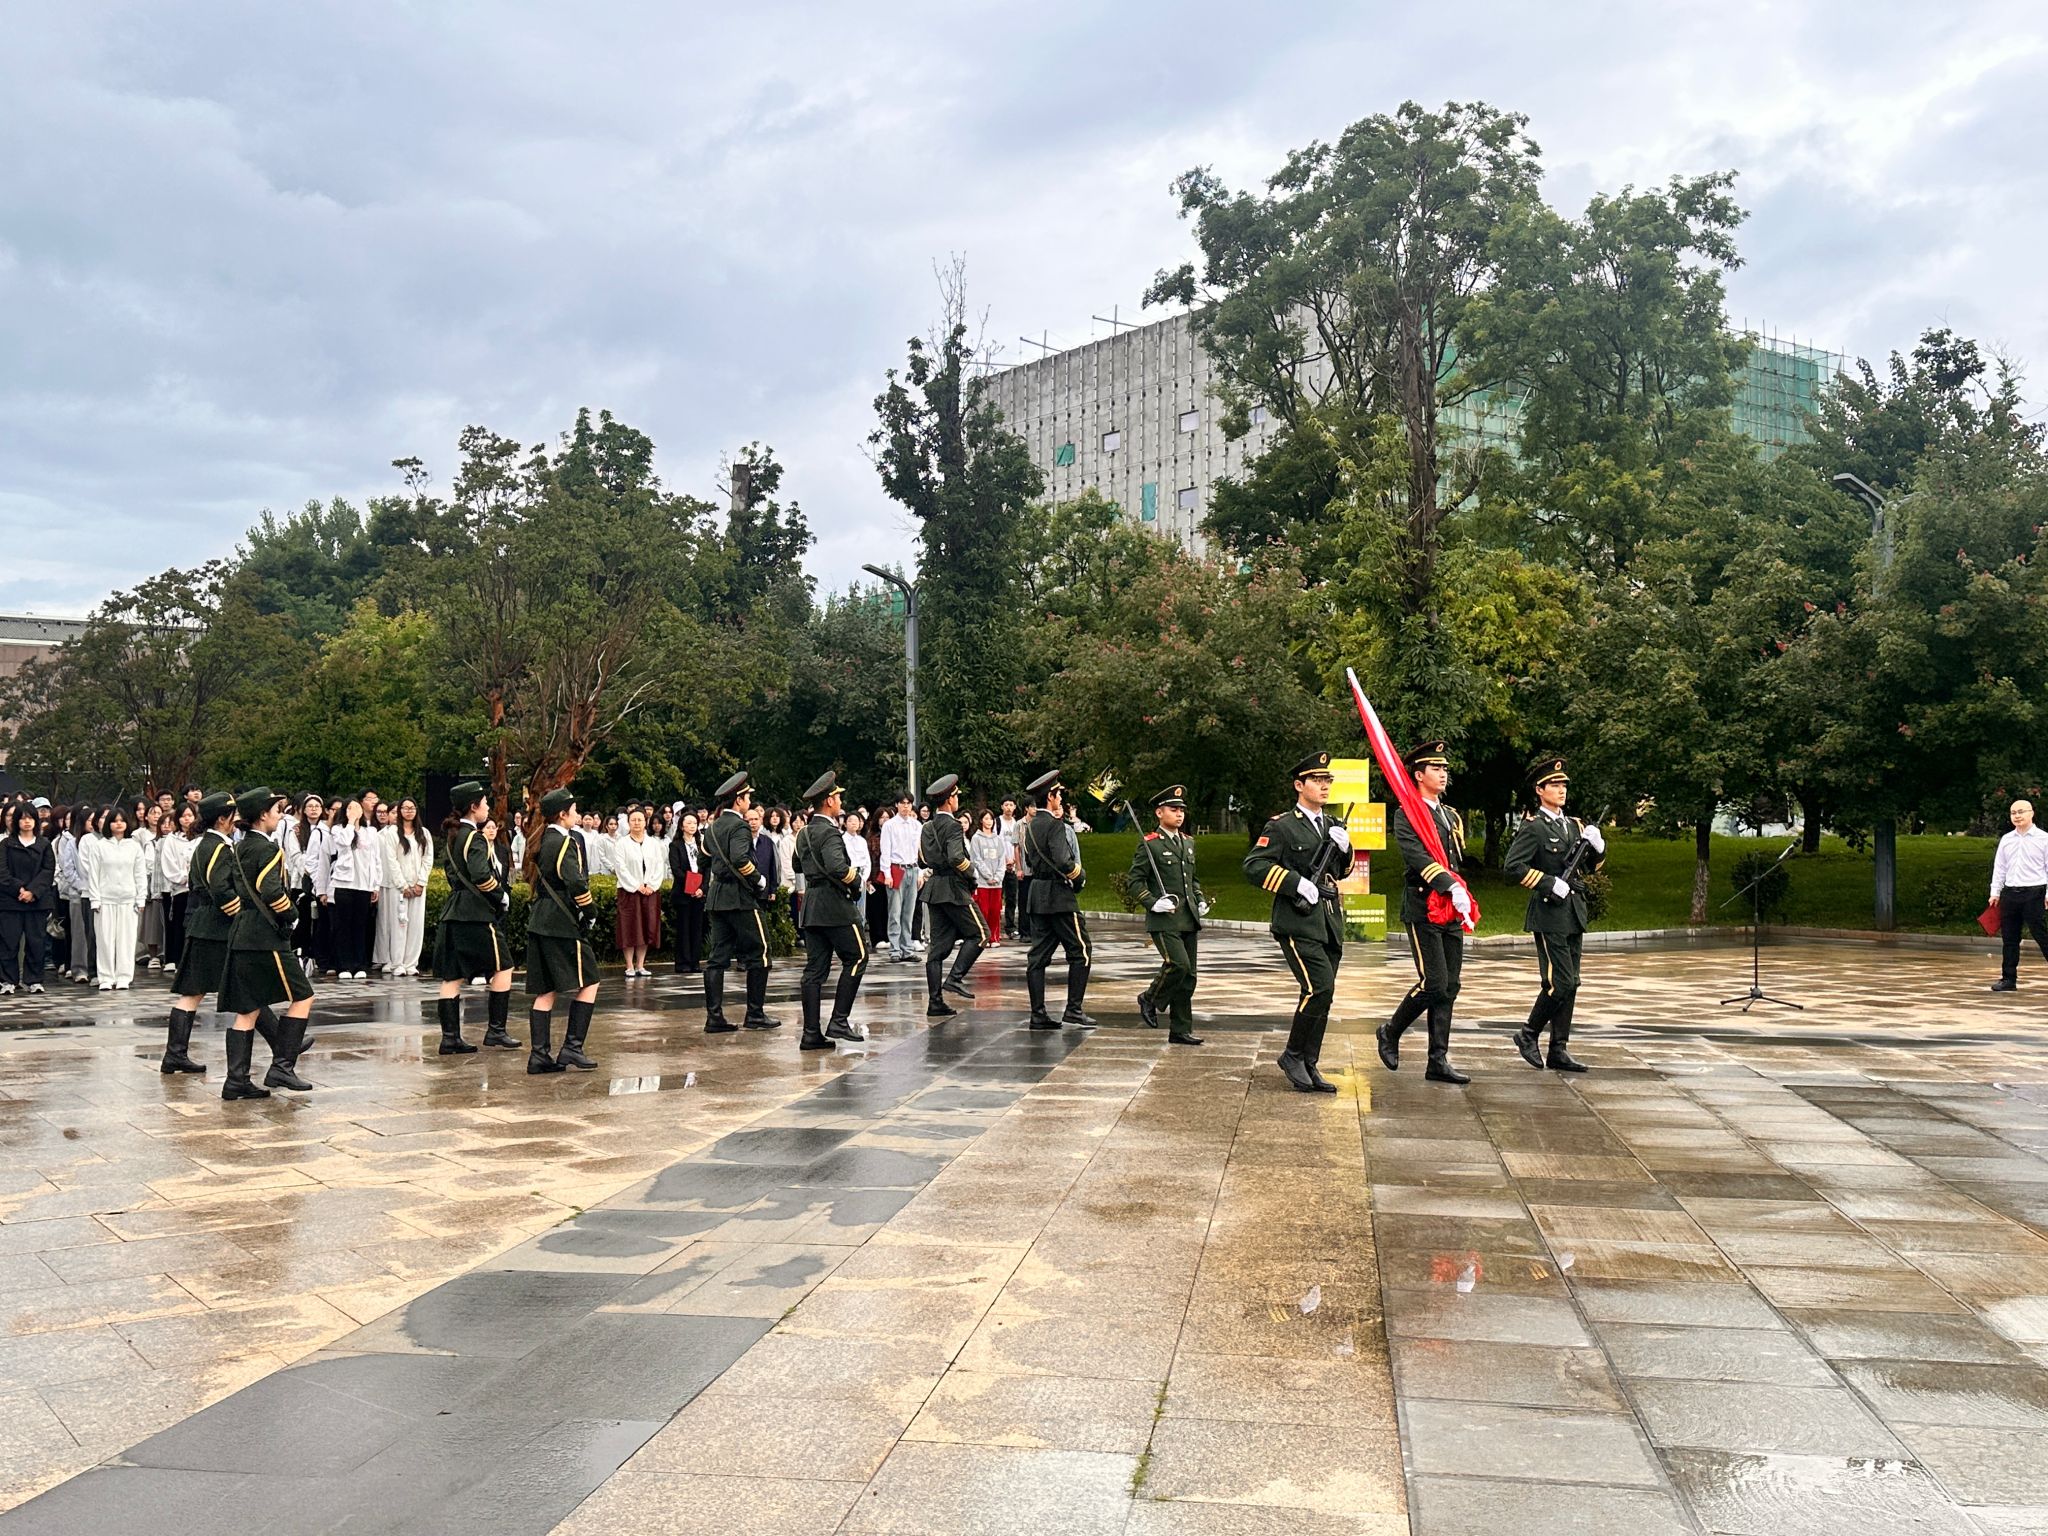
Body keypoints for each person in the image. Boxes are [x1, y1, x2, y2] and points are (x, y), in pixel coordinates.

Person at [1245, 752, 1351, 1093]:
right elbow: (1254, 866)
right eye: (1317, 780)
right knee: (1319, 987)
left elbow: (1341, 871)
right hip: (1297, 920)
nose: (1324, 786)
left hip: (1329, 921)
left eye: (1327, 780)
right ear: (1299, 785)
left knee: (1325, 995)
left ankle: (1309, 1062)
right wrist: (1296, 883)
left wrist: (1346, 849)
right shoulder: (1282, 826)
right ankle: (1292, 1055)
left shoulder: (1333, 824)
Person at [1375, 740, 1473, 1085]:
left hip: (1450, 908)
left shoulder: (1450, 815)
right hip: (1423, 905)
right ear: (1418, 775)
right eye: (1436, 768)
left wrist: (1459, 890)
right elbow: (1416, 857)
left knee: (1451, 985)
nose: (1443, 774)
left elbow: (1455, 858)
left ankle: (1438, 1060)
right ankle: (1390, 1031)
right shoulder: (1407, 813)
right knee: (1434, 983)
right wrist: (1448, 884)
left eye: (1445, 768)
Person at [1504, 755, 1604, 1072]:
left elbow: (1590, 867)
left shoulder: (1574, 825)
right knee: (1558, 982)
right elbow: (1512, 867)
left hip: (1573, 912)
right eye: (1554, 785)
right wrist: (1548, 883)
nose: (1561, 790)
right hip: (1549, 914)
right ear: (1540, 790)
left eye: (1564, 785)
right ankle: (1528, 1033)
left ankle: (1558, 1049)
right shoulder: (1534, 827)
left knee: (1572, 982)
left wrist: (1598, 847)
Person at [217, 788, 318, 1100]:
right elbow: (271, 890)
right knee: (303, 996)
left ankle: (236, 1081)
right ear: (262, 815)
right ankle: (282, 1067)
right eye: (276, 811)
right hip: (264, 936)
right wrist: (292, 914)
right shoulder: (267, 848)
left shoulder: (240, 846)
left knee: (248, 1008)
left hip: (242, 931)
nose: (280, 816)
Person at [161, 792, 258, 1078]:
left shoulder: (206, 844)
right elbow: (220, 888)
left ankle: (175, 1054)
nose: (235, 821)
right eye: (232, 815)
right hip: (217, 928)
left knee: (195, 992)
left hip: (204, 925)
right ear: (222, 819)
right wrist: (240, 915)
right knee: (244, 987)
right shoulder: (218, 847)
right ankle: (282, 1044)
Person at [431, 782, 518, 1055]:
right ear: (473, 806)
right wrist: (500, 894)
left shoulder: (454, 836)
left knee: (453, 976)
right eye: (485, 802)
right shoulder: (475, 837)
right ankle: (496, 1030)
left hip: (455, 909)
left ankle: (450, 1038)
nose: (488, 807)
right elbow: (481, 875)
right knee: (504, 967)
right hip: (476, 913)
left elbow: (452, 873)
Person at [525, 786, 601, 1073]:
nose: (577, 814)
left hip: (541, 919)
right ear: (562, 814)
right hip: (561, 922)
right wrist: (590, 912)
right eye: (574, 810)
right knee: (590, 980)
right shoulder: (565, 842)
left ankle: (539, 1055)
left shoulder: (543, 839)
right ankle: (572, 1047)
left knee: (546, 990)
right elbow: (576, 882)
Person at [698, 771, 779, 1034]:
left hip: (717, 897)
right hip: (741, 898)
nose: (749, 802)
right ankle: (755, 1014)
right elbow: (740, 859)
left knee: (717, 958)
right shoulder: (740, 826)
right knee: (760, 952)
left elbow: (703, 858)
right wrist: (759, 880)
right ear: (739, 800)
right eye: (747, 797)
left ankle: (714, 1017)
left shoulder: (713, 827)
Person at [794, 772, 870, 1049]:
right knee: (858, 957)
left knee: (814, 970)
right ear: (828, 801)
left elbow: (797, 865)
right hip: (835, 906)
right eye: (838, 797)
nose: (840, 802)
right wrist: (857, 880)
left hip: (813, 906)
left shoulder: (804, 833)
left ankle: (811, 1033)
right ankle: (839, 1020)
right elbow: (838, 867)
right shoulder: (829, 832)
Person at [1131, 785, 1207, 1046]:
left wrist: (1200, 899)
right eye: (1173, 809)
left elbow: (1192, 879)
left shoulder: (1188, 842)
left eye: (1181, 810)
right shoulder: (1150, 844)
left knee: (1189, 977)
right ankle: (1149, 998)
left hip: (1188, 917)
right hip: (1164, 919)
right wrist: (1153, 902)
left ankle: (1180, 1029)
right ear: (1159, 812)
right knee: (1178, 964)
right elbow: (1135, 881)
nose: (1179, 814)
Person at [1021, 770, 1093, 1029]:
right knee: (1081, 951)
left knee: (1038, 956)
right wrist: (1079, 875)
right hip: (1059, 896)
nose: (1061, 798)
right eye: (1058, 794)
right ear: (1050, 797)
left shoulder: (1030, 826)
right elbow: (1063, 860)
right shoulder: (1054, 825)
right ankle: (1073, 1009)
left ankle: (1038, 1014)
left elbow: (1028, 860)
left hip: (1038, 895)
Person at [918, 774, 986, 1018]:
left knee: (937, 950)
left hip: (935, 887)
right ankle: (955, 978)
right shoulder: (954, 826)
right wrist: (971, 872)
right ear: (949, 800)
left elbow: (922, 859)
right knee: (980, 934)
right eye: (956, 796)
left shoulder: (927, 827)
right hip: (954, 888)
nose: (957, 800)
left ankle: (935, 1002)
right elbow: (957, 857)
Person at [86, 805, 148, 991]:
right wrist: (95, 899)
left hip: (128, 900)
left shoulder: (134, 846)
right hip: (105, 900)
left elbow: (140, 874)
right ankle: (105, 977)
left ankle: (124, 977)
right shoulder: (100, 846)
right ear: (108, 824)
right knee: (105, 940)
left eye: (122, 821)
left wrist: (141, 898)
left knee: (126, 941)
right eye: (114, 821)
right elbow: (93, 875)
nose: (119, 824)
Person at [1989, 796, 2048, 991]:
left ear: (2032, 813)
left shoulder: (2044, 839)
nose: (2017, 816)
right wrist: (1995, 892)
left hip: (2034, 892)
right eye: (2013, 813)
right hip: (2010, 893)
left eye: (2021, 812)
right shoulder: (2007, 839)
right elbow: (2000, 867)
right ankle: (2008, 979)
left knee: (2041, 934)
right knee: (2009, 938)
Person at [0, 804, 55, 996]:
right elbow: (2, 872)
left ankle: (34, 980)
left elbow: (48, 871)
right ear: (16, 821)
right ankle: (8, 980)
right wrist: (19, 889)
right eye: (22, 818)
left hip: (36, 902)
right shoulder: (6, 845)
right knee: (8, 942)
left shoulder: (44, 845)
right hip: (10, 901)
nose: (26, 822)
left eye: (30, 818)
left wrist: (32, 891)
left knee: (36, 942)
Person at [325, 797, 382, 981]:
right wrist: (350, 822)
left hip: (364, 885)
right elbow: (344, 843)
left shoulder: (370, 831)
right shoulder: (338, 830)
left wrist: (375, 885)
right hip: (344, 884)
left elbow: (376, 859)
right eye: (350, 807)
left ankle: (359, 964)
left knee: (360, 925)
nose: (355, 810)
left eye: (357, 807)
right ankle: (344, 965)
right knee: (343, 926)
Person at [614, 806, 666, 978]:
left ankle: (640, 965)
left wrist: (651, 885)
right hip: (629, 891)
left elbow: (659, 865)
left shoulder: (653, 843)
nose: (636, 823)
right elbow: (620, 868)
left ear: (646, 822)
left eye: (640, 820)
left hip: (650, 891)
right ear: (628, 822)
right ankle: (629, 965)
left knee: (646, 926)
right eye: (633, 820)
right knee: (629, 927)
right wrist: (636, 886)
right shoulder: (622, 843)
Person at [382, 797, 432, 977]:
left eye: (412, 808)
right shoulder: (392, 833)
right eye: (405, 808)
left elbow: (428, 859)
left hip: (418, 886)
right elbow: (391, 861)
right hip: (399, 887)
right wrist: (402, 885)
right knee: (398, 924)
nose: (409, 811)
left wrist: (421, 882)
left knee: (416, 926)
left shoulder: (424, 833)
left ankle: (411, 963)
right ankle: (397, 963)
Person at [880, 792, 921, 961]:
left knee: (908, 913)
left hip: (913, 868)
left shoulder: (916, 825)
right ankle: (895, 949)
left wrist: (920, 872)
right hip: (896, 869)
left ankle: (907, 948)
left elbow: (918, 851)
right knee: (895, 912)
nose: (906, 806)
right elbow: (885, 851)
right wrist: (887, 874)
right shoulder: (889, 825)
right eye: (902, 803)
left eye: (908, 803)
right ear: (897, 805)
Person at [63, 803, 97, 983]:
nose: (93, 823)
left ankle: (97, 967)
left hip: (99, 894)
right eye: (89, 820)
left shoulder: (101, 841)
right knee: (80, 934)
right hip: (79, 894)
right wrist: (82, 885)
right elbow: (68, 870)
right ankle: (79, 969)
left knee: (97, 934)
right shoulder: (72, 843)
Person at [158, 804, 197, 965]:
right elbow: (168, 864)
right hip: (180, 889)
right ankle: (178, 961)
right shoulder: (171, 840)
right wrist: (184, 878)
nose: (187, 819)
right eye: (183, 816)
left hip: (197, 890)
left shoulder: (200, 839)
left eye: (190, 815)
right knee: (179, 925)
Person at [669, 811, 706, 973]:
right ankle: (683, 963)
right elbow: (676, 869)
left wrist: (702, 888)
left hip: (699, 894)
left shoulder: (702, 845)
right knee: (683, 928)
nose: (692, 826)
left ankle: (695, 962)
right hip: (683, 893)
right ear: (682, 826)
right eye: (689, 823)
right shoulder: (675, 845)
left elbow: (707, 868)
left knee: (697, 929)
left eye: (694, 823)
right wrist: (691, 886)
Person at [969, 809, 1008, 947]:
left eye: (991, 819)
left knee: (995, 911)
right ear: (981, 821)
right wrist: (988, 876)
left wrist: (998, 876)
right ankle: (984, 937)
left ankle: (994, 938)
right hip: (982, 882)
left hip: (997, 883)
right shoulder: (976, 838)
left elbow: (1002, 860)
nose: (989, 822)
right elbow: (976, 859)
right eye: (986, 819)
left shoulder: (998, 839)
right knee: (983, 910)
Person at [136, 805, 165, 970]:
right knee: (152, 923)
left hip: (172, 887)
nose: (156, 816)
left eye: (160, 814)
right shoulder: (145, 839)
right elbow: (146, 865)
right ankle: (152, 955)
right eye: (153, 813)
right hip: (153, 886)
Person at [997, 797, 1021, 938]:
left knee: (1011, 898)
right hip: (1000, 866)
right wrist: (1005, 860)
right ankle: (995, 926)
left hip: (1013, 866)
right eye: (1006, 804)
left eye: (1011, 805)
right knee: (997, 898)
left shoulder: (1016, 824)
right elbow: (996, 842)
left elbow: (1018, 844)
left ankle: (1010, 927)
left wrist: (1014, 862)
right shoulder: (997, 822)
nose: (1009, 808)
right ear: (1002, 806)